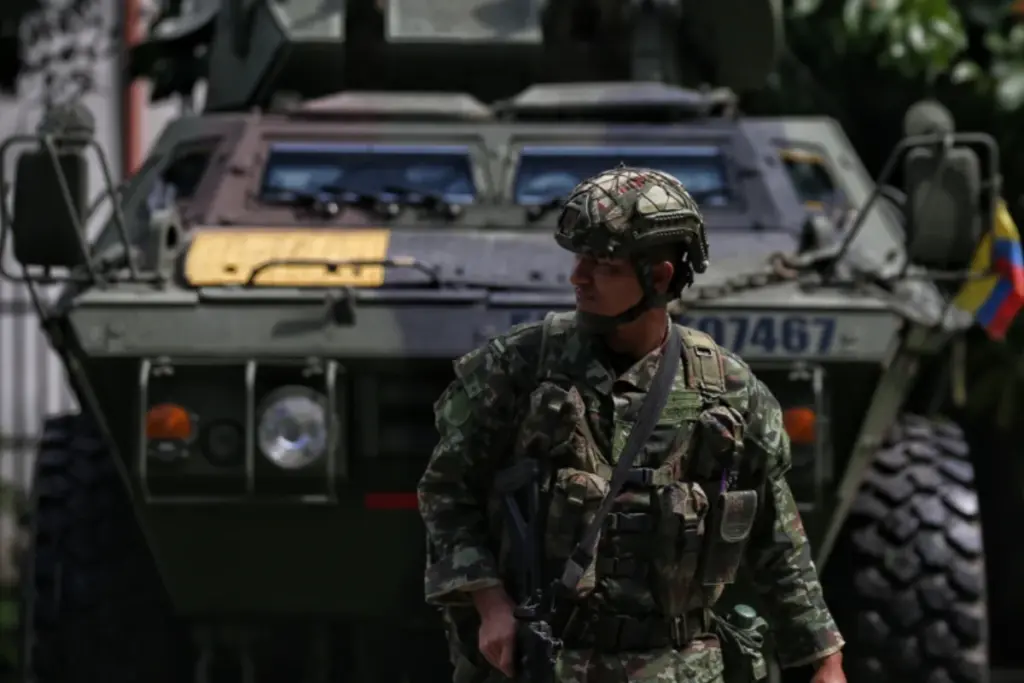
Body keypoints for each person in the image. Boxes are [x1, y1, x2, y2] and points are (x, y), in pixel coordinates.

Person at [417, 166, 847, 683]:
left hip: (681, 667)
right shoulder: (517, 369)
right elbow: (447, 494)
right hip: (548, 663)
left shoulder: (727, 389)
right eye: (579, 258)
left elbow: (776, 538)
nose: (578, 276)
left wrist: (822, 658)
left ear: (660, 276)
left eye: (603, 264)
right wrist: (490, 604)